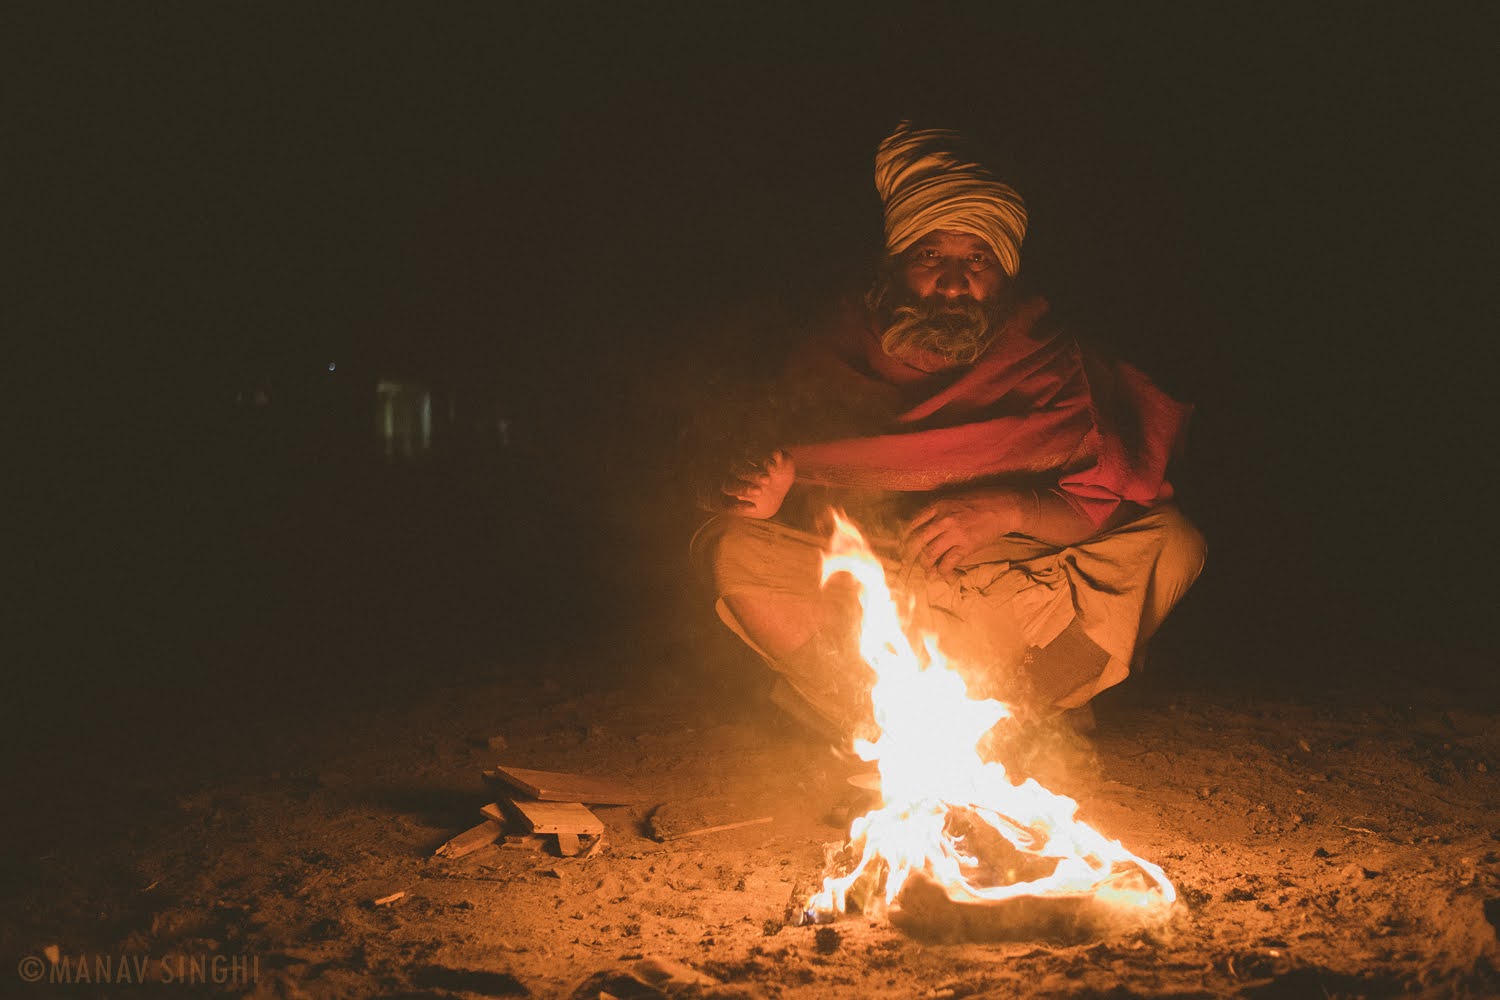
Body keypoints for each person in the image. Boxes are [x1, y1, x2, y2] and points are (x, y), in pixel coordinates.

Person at [692, 122, 1205, 740]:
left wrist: (1008, 510)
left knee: (1173, 543)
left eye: (978, 259)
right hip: (874, 592)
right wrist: (764, 501)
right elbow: (751, 482)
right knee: (732, 544)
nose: (956, 281)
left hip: (1011, 595)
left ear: (1005, 273)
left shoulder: (1052, 358)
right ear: (896, 266)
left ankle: (1014, 727)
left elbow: (1108, 507)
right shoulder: (830, 354)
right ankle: (878, 732)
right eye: (931, 256)